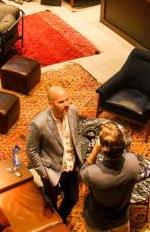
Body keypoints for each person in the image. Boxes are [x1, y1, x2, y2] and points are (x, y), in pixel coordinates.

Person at [27, 86, 85, 224]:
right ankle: (51, 220)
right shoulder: (38, 124)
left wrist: (79, 158)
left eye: (67, 100)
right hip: (51, 170)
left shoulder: (73, 112)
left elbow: (77, 134)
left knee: (72, 198)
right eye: (61, 102)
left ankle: (59, 219)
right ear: (50, 103)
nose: (66, 105)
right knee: (50, 200)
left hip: (71, 167)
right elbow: (31, 150)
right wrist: (43, 173)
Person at [80, 123, 140, 232]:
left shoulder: (91, 173)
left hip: (97, 222)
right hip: (121, 220)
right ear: (123, 143)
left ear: (103, 150)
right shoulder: (134, 161)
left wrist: (95, 150)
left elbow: (83, 170)